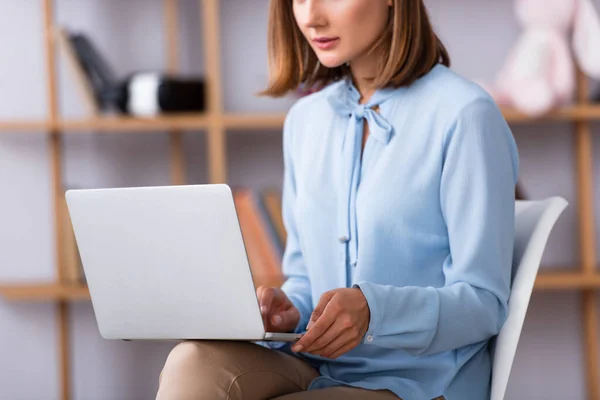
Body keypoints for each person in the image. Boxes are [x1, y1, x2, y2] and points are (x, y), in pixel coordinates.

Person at [156, 0, 519, 399]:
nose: (311, 16)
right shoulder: (305, 121)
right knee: (192, 360)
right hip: (316, 366)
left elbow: (483, 302)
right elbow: (305, 278)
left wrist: (374, 311)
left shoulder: (464, 114)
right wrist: (290, 310)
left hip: (422, 383)